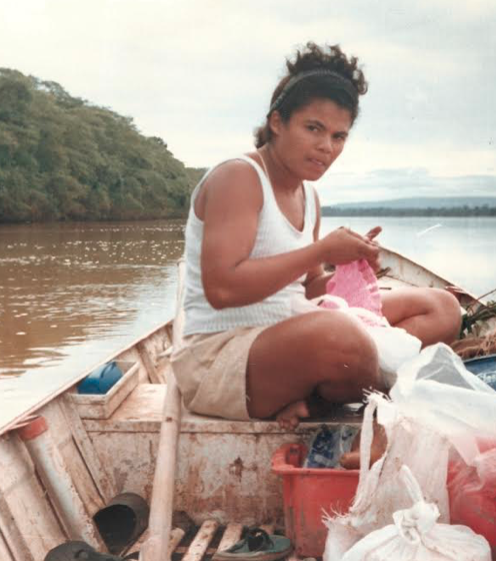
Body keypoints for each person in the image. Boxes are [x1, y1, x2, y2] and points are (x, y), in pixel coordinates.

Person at [171, 42, 462, 430]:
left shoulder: (309, 194)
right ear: (277, 122)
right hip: (221, 356)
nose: (326, 147)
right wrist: (321, 250)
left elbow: (307, 289)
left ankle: (318, 397)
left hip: (293, 328)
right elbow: (222, 289)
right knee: (342, 340)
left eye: (339, 137)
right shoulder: (238, 178)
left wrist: (350, 268)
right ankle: (385, 401)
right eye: (314, 129)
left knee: (441, 307)